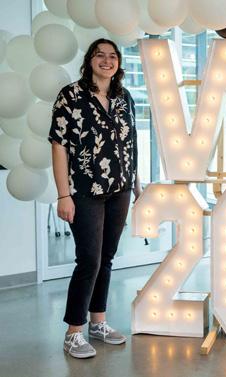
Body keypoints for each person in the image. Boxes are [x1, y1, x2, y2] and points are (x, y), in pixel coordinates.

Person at [49, 38, 141, 359]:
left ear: (118, 63)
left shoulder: (124, 97)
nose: (106, 60)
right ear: (90, 60)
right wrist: (64, 194)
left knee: (107, 257)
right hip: (84, 191)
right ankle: (73, 331)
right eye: (100, 55)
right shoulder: (71, 96)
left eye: (112, 56)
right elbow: (58, 145)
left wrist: (137, 184)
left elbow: (131, 145)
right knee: (89, 259)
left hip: (121, 189)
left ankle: (97, 322)